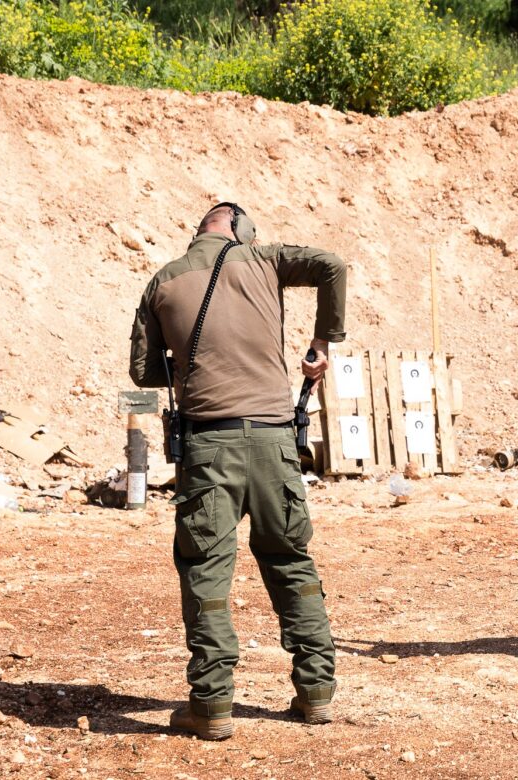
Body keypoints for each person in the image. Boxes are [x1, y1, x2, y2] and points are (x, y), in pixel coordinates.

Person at [129, 202, 347, 738]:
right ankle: (316, 692)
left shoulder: (163, 280)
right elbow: (333, 265)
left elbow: (143, 370)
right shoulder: (265, 258)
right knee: (290, 559)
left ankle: (212, 707)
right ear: (241, 229)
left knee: (206, 571)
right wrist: (322, 342)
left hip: (208, 448)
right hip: (274, 444)